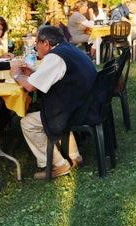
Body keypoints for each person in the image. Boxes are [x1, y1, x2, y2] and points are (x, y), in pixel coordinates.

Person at [11, 26, 94, 180]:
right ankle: (74, 156)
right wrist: (34, 74)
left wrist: (16, 74)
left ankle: (58, 164)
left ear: (46, 43)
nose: (35, 47)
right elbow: (57, 76)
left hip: (77, 110)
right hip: (86, 103)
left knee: (28, 122)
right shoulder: (69, 49)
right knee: (53, 111)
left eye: (37, 43)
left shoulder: (55, 57)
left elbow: (29, 87)